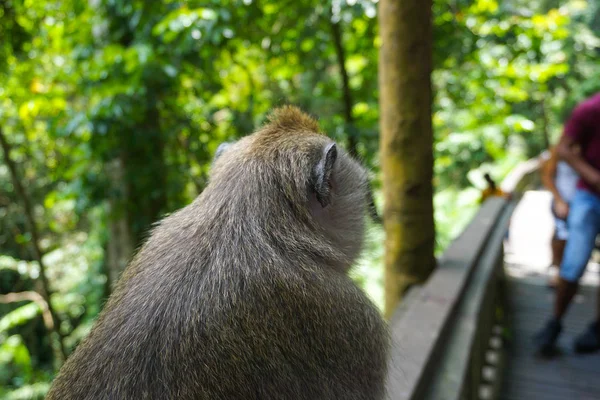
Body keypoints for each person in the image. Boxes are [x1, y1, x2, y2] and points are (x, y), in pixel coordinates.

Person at [535, 92, 600, 355]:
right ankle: (555, 322)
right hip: (588, 195)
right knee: (573, 261)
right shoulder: (590, 110)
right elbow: (561, 150)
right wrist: (592, 176)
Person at [540, 146, 580, 287]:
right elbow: (547, 175)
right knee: (561, 236)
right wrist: (559, 200)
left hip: (583, 203)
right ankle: (558, 274)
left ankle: (570, 276)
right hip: (563, 200)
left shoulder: (590, 149)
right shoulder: (559, 151)